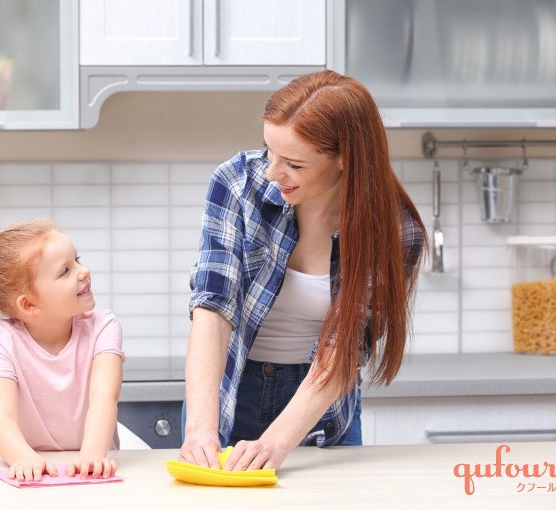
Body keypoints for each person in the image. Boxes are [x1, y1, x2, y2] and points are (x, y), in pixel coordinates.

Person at [179, 70, 425, 472]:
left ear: (346, 158)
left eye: (293, 163)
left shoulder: (396, 231)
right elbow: (213, 308)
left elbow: (344, 349)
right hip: (227, 389)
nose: (272, 173)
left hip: (319, 410)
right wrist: (199, 430)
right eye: (269, 151)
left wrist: (276, 442)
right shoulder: (237, 183)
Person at [0, 218, 124, 482]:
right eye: (65, 271)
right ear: (29, 304)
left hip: (92, 467)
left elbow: (104, 398)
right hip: (39, 471)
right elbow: (2, 419)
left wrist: (92, 456)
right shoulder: (4, 339)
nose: (84, 271)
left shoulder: (103, 326)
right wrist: (23, 457)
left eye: (77, 259)